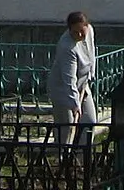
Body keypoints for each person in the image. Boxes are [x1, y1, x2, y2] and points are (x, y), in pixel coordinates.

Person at [48, 11, 96, 148]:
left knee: (90, 121)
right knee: (68, 127)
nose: (79, 35)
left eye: (82, 31)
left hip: (82, 84)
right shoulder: (66, 46)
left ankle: (82, 159)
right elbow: (69, 79)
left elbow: (91, 52)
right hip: (62, 89)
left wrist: (91, 73)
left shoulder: (90, 31)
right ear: (69, 30)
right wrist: (75, 104)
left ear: (87, 26)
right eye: (75, 32)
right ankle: (63, 159)